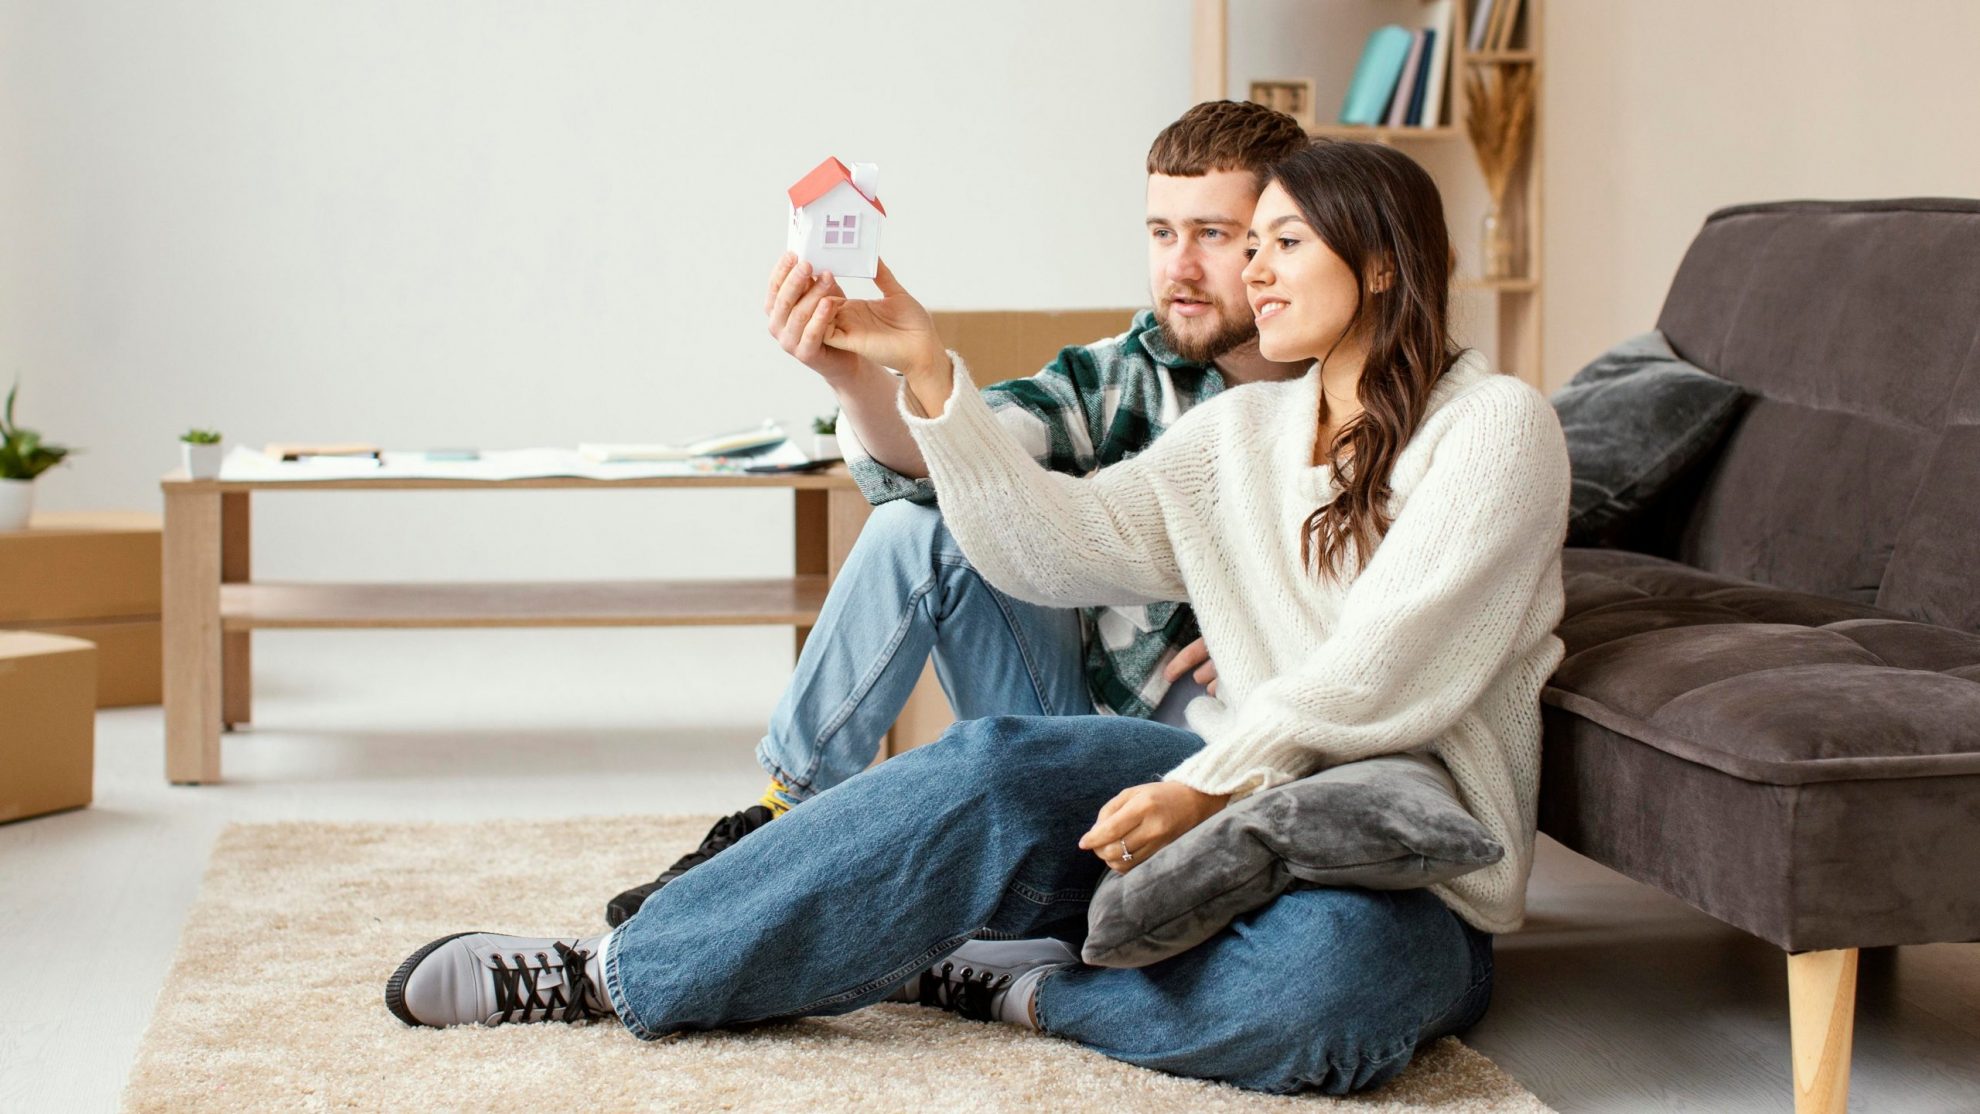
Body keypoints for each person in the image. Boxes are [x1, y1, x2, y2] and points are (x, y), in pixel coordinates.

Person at [387, 139, 1570, 1098]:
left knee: (1329, 992)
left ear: (1380, 262)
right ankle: (616, 969)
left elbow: (1384, 669)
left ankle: (1018, 990)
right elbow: (1048, 544)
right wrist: (928, 371)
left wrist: (1208, 783)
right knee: (1001, 763)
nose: (1249, 271)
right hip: (1225, 795)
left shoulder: (1498, 428)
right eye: (1242, 241)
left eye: (1282, 243)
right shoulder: (1235, 437)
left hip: (1413, 868)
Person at [599, 100, 1311, 927]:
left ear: (1282, 236)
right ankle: (779, 818)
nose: (1178, 268)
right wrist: (854, 379)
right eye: (1161, 233)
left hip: (1222, 762)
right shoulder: (1122, 373)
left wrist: (1281, 639)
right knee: (920, 529)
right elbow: (957, 458)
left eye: (1212, 235)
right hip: (1073, 731)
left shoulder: (1363, 394)